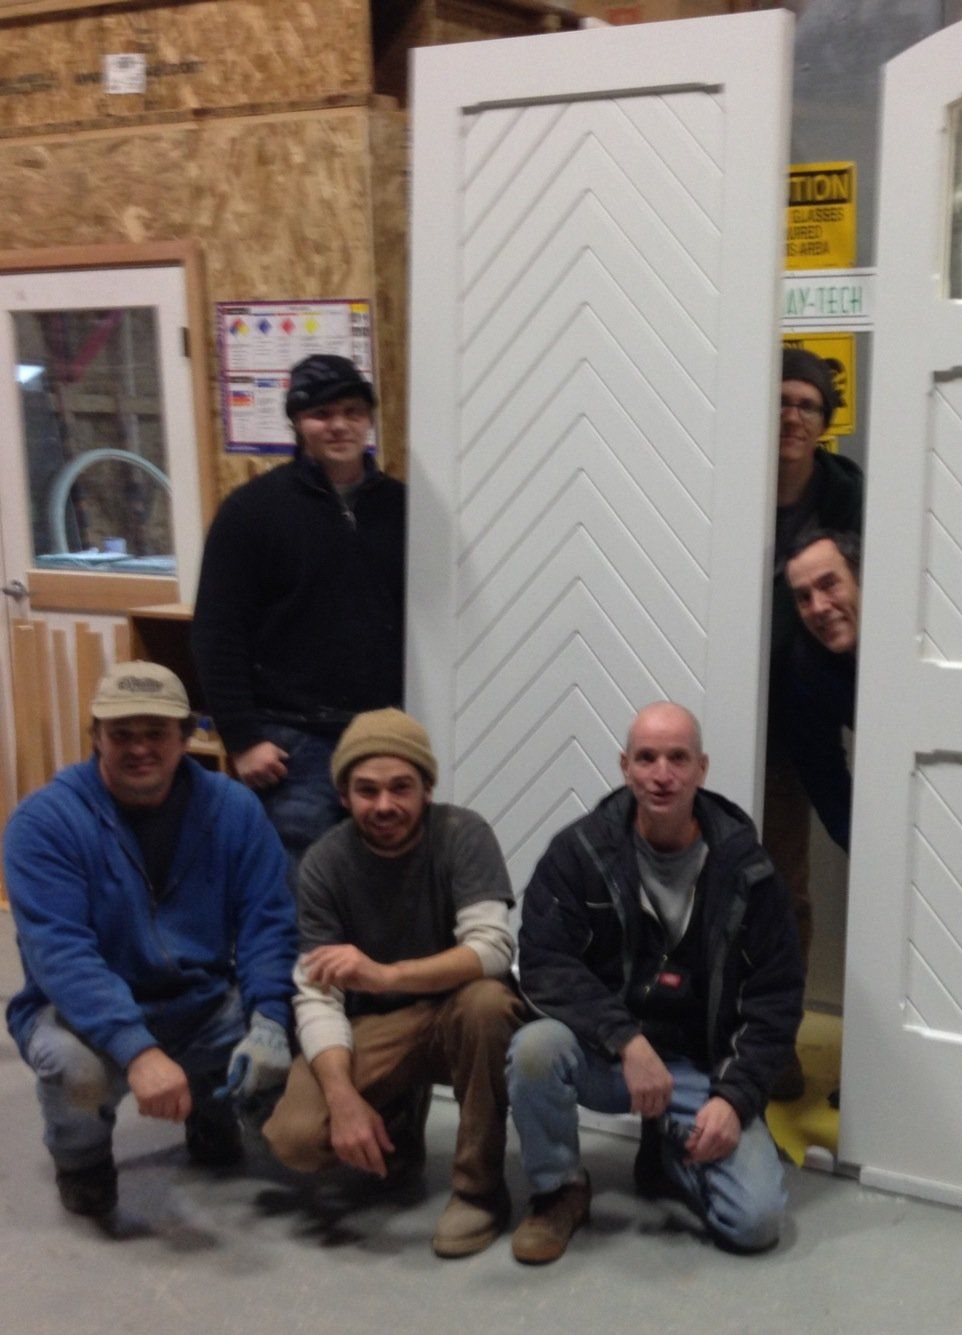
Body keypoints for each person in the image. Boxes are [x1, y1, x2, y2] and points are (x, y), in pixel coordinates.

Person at [505, 702, 803, 1262]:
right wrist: (626, 1040)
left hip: (700, 1066)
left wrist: (735, 1101)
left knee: (755, 1223)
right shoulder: (579, 852)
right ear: (624, 767)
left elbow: (775, 997)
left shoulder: (748, 869)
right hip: (609, 1055)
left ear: (702, 769)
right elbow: (545, 961)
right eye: (646, 758)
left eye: (677, 758)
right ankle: (558, 1192)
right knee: (535, 1050)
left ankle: (669, 1153)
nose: (661, 774)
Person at [4, 662, 297, 1218]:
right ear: (95, 737)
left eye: (156, 733)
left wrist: (270, 1022)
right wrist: (137, 1050)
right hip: (79, 1012)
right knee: (77, 1070)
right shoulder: (44, 822)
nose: (139, 749)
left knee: (306, 1023)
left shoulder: (234, 810)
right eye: (121, 734)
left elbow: (268, 921)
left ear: (186, 737)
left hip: (203, 998)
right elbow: (61, 953)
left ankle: (211, 1112)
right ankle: (83, 1160)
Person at [261, 709, 524, 1258]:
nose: (385, 805)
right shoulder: (324, 863)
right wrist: (342, 1095)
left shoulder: (463, 834)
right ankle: (396, 1121)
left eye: (402, 787)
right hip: (381, 1024)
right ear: (342, 795)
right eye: (367, 790)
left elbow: (493, 950)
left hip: (459, 1013)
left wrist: (385, 975)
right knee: (297, 1137)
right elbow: (316, 994)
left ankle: (479, 1192)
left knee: (488, 1004)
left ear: (427, 788)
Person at [192, 353, 406, 877]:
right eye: (321, 413)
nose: (339, 426)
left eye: (353, 411)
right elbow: (217, 631)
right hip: (291, 748)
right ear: (296, 422)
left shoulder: (404, 509)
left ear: (369, 419)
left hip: (386, 733)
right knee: (301, 890)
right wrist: (242, 738)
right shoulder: (251, 512)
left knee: (385, 883)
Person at [761, 345, 863, 1098]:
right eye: (780, 400)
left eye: (806, 403)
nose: (791, 414)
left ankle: (780, 1036)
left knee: (784, 889)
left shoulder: (848, 495)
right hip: (742, 706)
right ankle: (746, 1039)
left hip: (820, 700)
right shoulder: (729, 479)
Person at [779, 529, 861, 852]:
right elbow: (827, 785)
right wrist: (875, 855)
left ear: (860, 578)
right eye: (803, 597)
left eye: (829, 585)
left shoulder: (915, 639)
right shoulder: (806, 669)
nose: (819, 607)